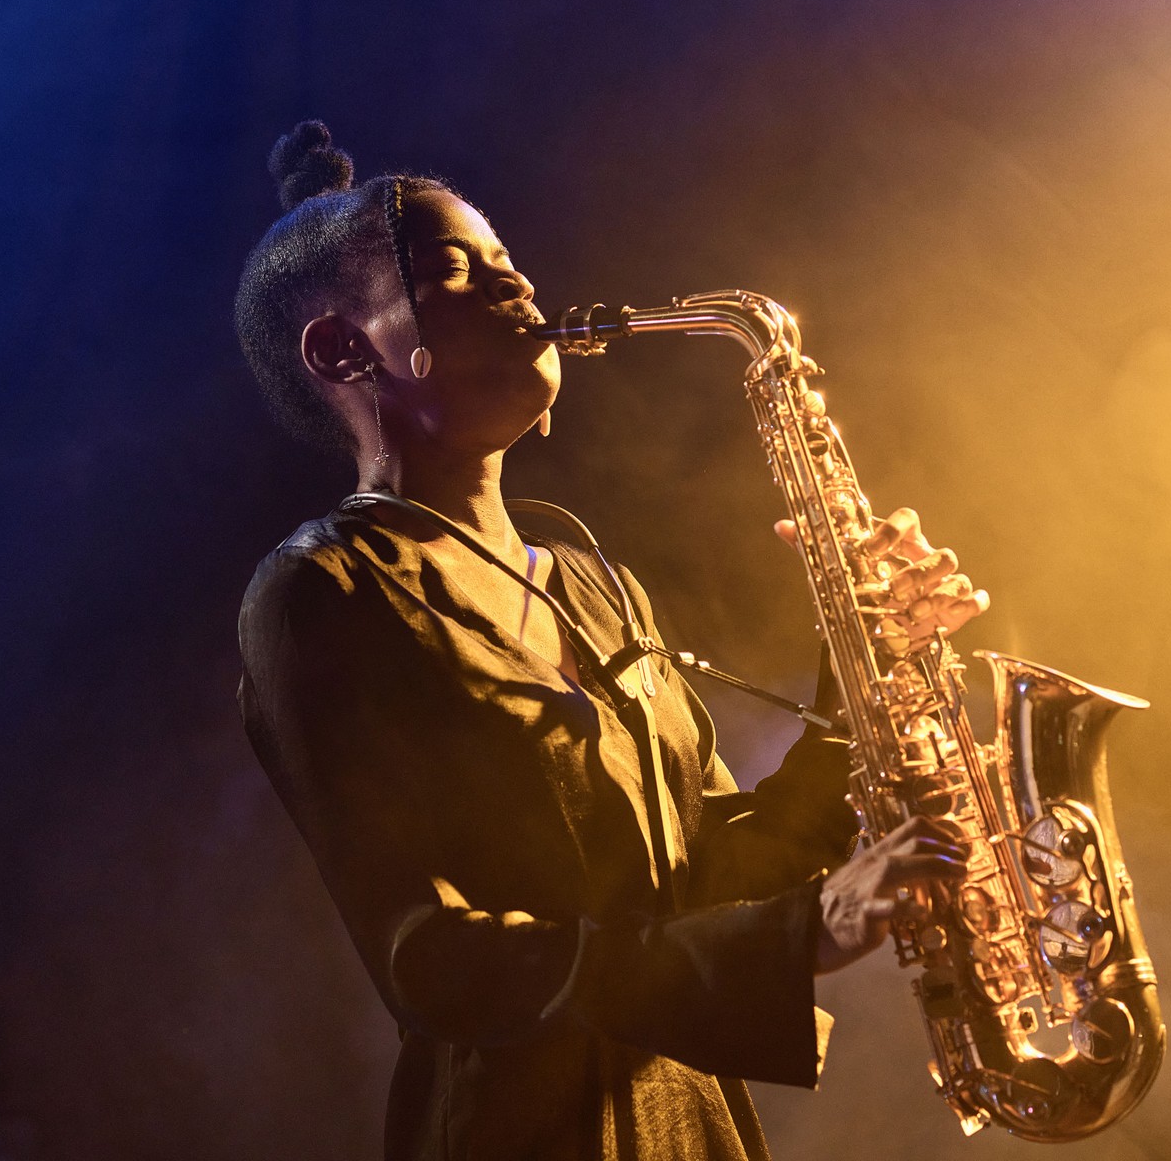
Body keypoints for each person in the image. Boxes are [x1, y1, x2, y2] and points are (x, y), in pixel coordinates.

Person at [233, 121, 987, 1161]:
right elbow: (427, 956)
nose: (520, 288)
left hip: (694, 1118)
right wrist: (801, 935)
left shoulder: (594, 583)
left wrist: (861, 667)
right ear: (341, 348)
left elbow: (717, 871)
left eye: (510, 261)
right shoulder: (321, 590)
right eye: (460, 271)